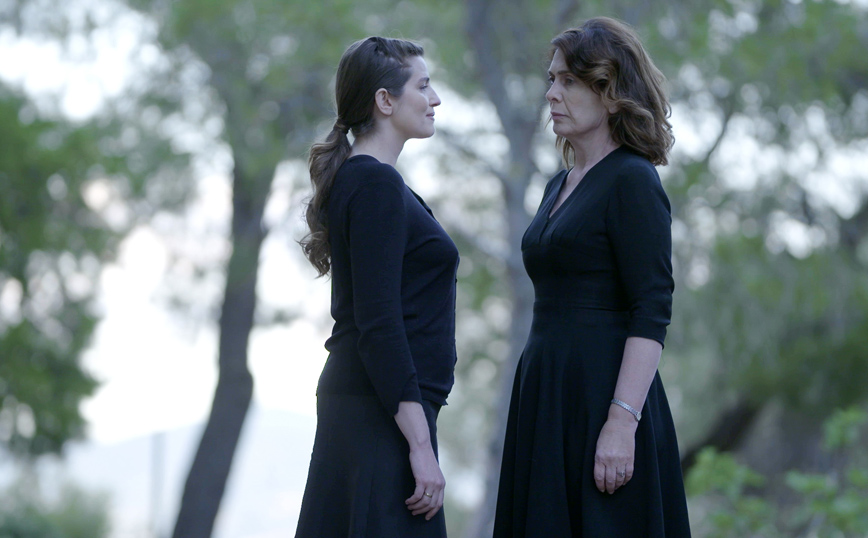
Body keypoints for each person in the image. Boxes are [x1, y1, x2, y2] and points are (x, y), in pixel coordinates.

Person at [493, 17, 691, 537]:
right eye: (551, 79)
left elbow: (652, 308)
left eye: (569, 81)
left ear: (610, 92)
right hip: (546, 394)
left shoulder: (632, 179)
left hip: (601, 397)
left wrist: (621, 422)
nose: (551, 94)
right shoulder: (559, 183)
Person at [295, 37, 457, 538]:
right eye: (423, 86)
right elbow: (379, 324)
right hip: (381, 415)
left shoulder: (369, 180)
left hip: (380, 410)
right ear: (385, 101)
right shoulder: (375, 184)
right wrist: (420, 447)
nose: (434, 99)